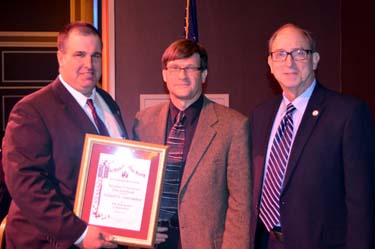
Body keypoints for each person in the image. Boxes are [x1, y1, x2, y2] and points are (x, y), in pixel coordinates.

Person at [2, 21, 128, 248]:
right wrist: (79, 234)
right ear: (61, 58)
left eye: (96, 55)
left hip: (102, 236)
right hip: (50, 242)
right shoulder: (32, 110)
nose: (89, 64)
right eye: (79, 54)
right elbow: (26, 183)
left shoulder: (108, 102)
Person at [249, 23, 375, 249]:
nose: (289, 62)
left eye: (299, 53)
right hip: (266, 243)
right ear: (270, 63)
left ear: (315, 59)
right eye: (280, 55)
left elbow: (362, 202)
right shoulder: (260, 115)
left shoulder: (348, 113)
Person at [132, 39, 251, 249]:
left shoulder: (233, 126)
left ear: (204, 75)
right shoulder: (142, 122)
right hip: (153, 242)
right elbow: (133, 187)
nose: (182, 75)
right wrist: (139, 228)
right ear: (164, 74)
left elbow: (240, 204)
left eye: (190, 68)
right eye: (175, 67)